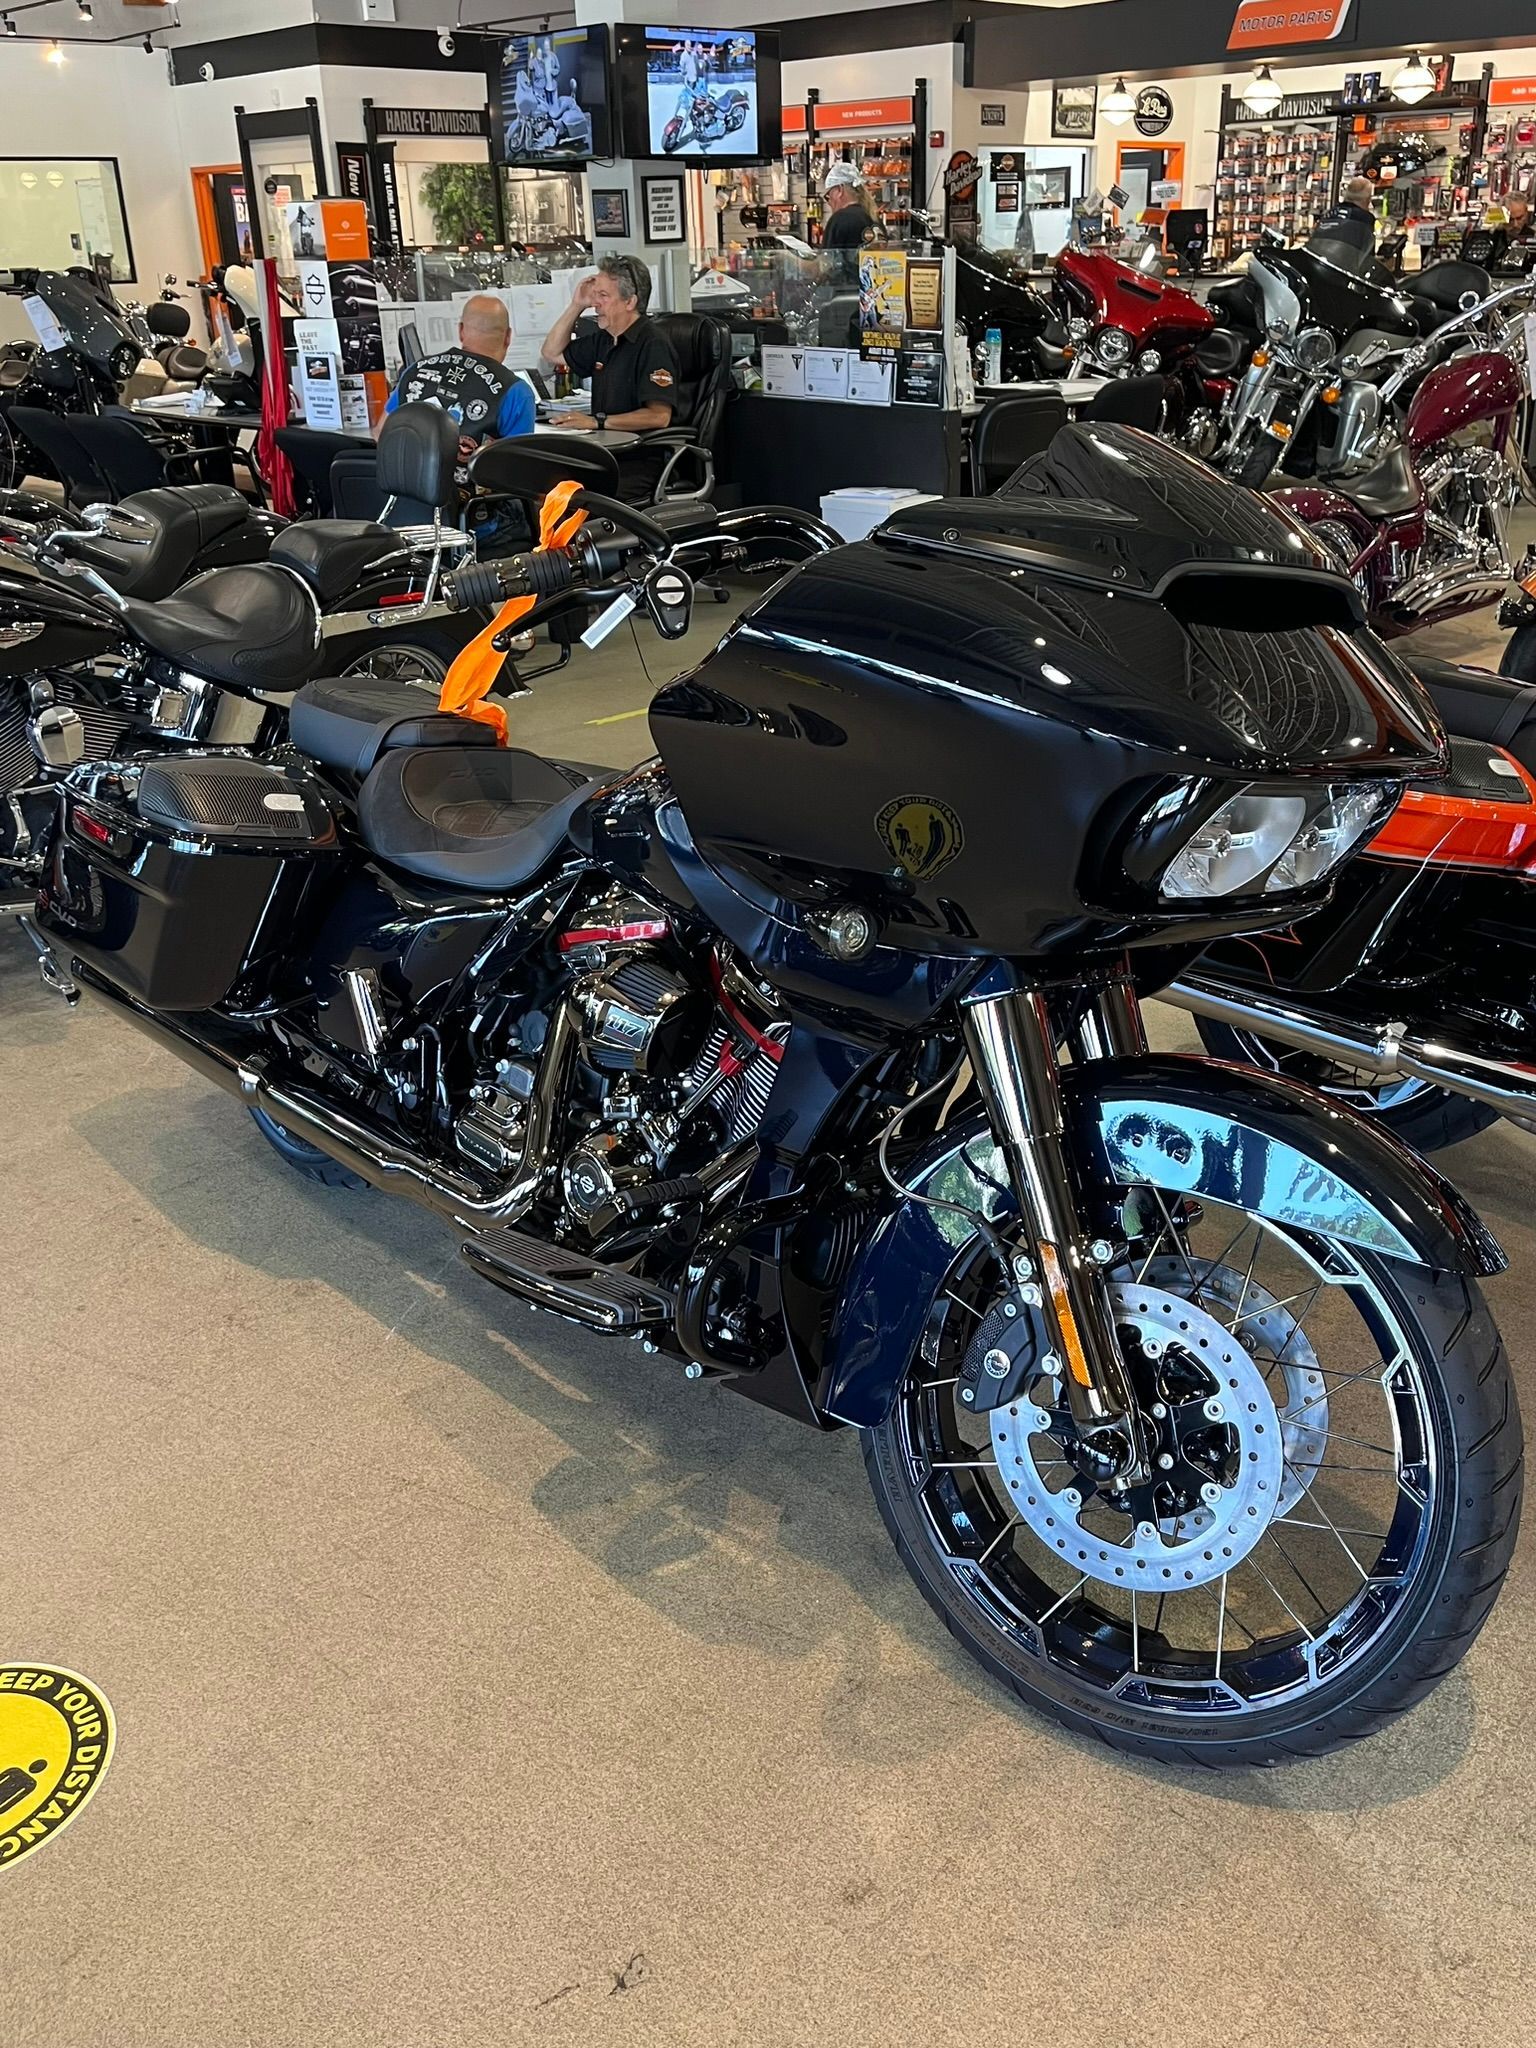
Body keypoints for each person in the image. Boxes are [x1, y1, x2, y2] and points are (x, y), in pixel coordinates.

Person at [540, 255, 680, 500]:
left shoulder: (653, 343)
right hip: (603, 457)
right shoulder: (604, 339)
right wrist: (576, 305)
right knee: (542, 487)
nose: (596, 304)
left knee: (572, 499)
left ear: (630, 301)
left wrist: (598, 421)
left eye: (603, 296)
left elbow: (659, 416)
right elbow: (552, 353)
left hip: (637, 463)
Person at [1313, 176, 1378, 256]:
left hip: (1321, 260)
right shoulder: (1364, 218)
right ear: (1367, 199)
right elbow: (1367, 254)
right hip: (1345, 263)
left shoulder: (1332, 212)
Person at [821, 162, 877, 250]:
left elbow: (828, 259)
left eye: (829, 195)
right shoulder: (870, 216)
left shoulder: (840, 219)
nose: (829, 202)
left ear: (840, 190)